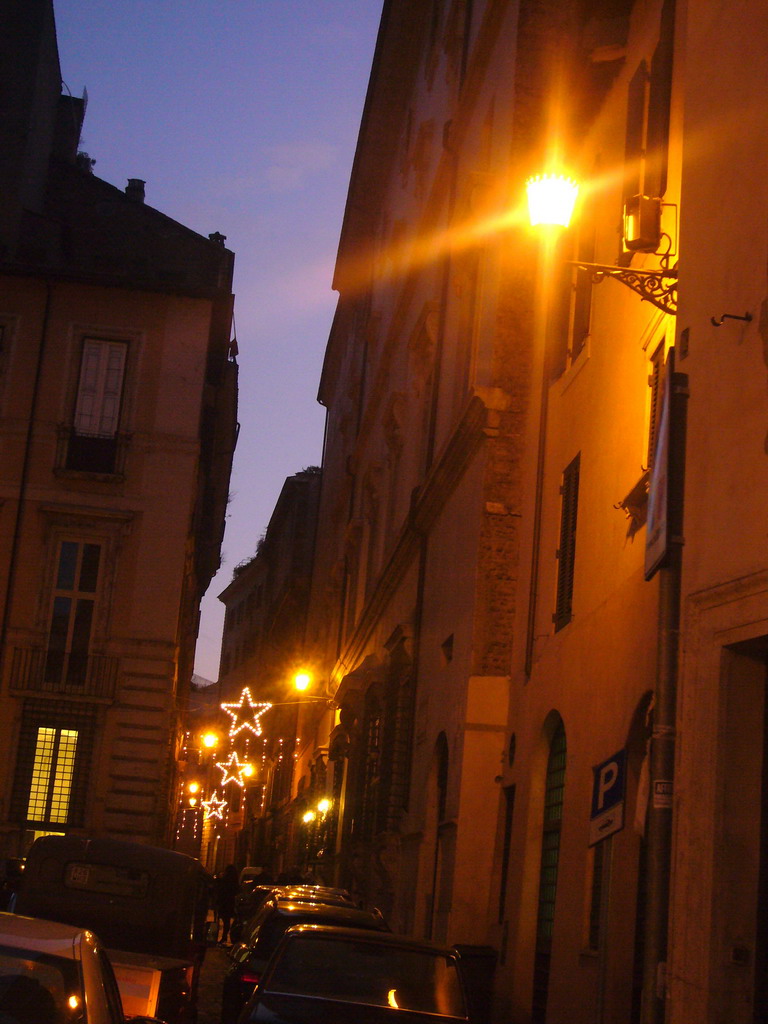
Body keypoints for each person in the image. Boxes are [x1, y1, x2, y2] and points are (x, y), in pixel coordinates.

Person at [215, 864, 239, 944]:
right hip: (230, 902)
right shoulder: (235, 881)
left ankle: (224, 936)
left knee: (224, 920)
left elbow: (220, 890)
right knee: (227, 921)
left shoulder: (225, 880)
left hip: (224, 902)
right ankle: (225, 936)